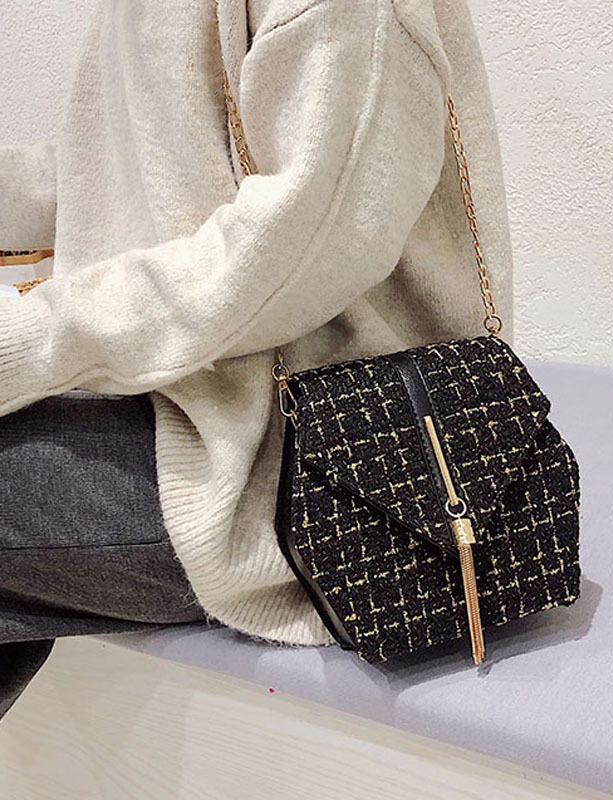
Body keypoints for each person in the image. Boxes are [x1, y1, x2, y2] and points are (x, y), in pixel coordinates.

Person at [0, 0, 513, 718]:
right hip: (208, 413)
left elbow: (302, 243)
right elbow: (135, 168)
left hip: (323, 472)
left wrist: (31, 340)